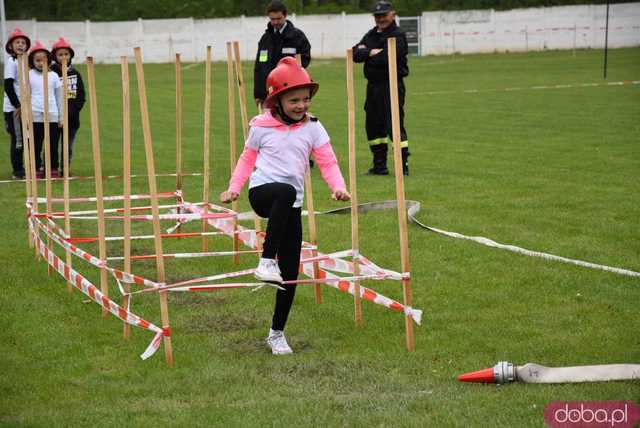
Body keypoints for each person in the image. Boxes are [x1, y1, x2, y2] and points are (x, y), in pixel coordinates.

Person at [220, 57, 350, 355]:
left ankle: (276, 333)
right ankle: (266, 261)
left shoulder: (314, 128)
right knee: (285, 190)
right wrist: (233, 188)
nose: (302, 105)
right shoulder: (261, 127)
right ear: (277, 101)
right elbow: (247, 160)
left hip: (290, 205)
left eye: (305, 99)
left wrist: (338, 187)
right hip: (263, 194)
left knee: (290, 274)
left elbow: (328, 161)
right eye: (294, 100)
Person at [352, 0, 410, 176]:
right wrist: (371, 52)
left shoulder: (398, 35)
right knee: (373, 125)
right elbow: (355, 53)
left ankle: (402, 166)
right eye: (377, 16)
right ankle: (379, 165)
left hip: (391, 85)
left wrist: (369, 54)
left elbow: (387, 59)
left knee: (394, 124)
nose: (380, 19)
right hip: (373, 86)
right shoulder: (372, 34)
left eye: (383, 15)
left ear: (393, 14)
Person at [253, 0, 311, 109]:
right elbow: (259, 68)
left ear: (285, 16)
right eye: (272, 19)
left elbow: (305, 60)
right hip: (268, 94)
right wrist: (258, 94)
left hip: (289, 94)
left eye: (278, 19)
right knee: (269, 125)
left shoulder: (297, 36)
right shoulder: (265, 39)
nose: (275, 22)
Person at [28, 41, 63, 178]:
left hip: (52, 115)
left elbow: (59, 98)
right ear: (32, 61)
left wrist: (61, 117)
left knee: (52, 144)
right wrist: (26, 116)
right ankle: (36, 168)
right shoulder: (29, 75)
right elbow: (26, 96)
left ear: (48, 60)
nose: (40, 63)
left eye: (43, 60)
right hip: (35, 115)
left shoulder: (54, 76)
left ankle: (53, 167)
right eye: (37, 60)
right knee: (36, 144)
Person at [51, 37, 85, 177]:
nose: (64, 57)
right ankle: (51, 168)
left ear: (70, 55)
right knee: (52, 144)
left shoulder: (75, 74)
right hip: (53, 116)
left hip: (71, 118)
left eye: (66, 54)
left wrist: (72, 110)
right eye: (60, 54)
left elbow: (81, 96)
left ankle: (65, 169)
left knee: (68, 146)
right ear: (54, 56)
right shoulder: (50, 73)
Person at [3, 28, 31, 179]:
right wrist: (18, 105)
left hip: (27, 108)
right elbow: (8, 86)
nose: (20, 45)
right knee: (18, 139)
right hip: (14, 109)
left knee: (28, 138)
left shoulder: (26, 62)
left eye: (23, 42)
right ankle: (18, 171)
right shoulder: (11, 62)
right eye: (17, 42)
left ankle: (28, 167)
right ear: (11, 46)